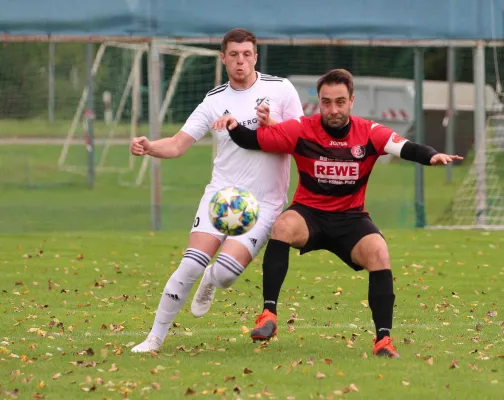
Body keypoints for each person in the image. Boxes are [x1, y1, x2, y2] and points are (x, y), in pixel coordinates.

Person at [224, 68, 462, 357]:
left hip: (351, 219)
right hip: (309, 213)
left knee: (379, 252)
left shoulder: (370, 132)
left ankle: (383, 340)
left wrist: (431, 155)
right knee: (283, 226)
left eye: (339, 102)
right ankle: (268, 315)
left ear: (351, 101)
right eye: (326, 102)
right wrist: (233, 125)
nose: (333, 109)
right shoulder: (301, 129)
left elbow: (405, 147)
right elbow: (253, 140)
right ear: (319, 103)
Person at [129, 28, 303, 353]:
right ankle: (154, 338)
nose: (240, 61)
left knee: (223, 275)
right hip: (221, 197)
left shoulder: (281, 90)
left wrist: (271, 126)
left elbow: (301, 137)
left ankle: (211, 281)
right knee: (191, 263)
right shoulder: (214, 100)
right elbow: (178, 144)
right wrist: (150, 146)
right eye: (234, 55)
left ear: (256, 56)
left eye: (246, 54)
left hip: (263, 204)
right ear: (223, 58)